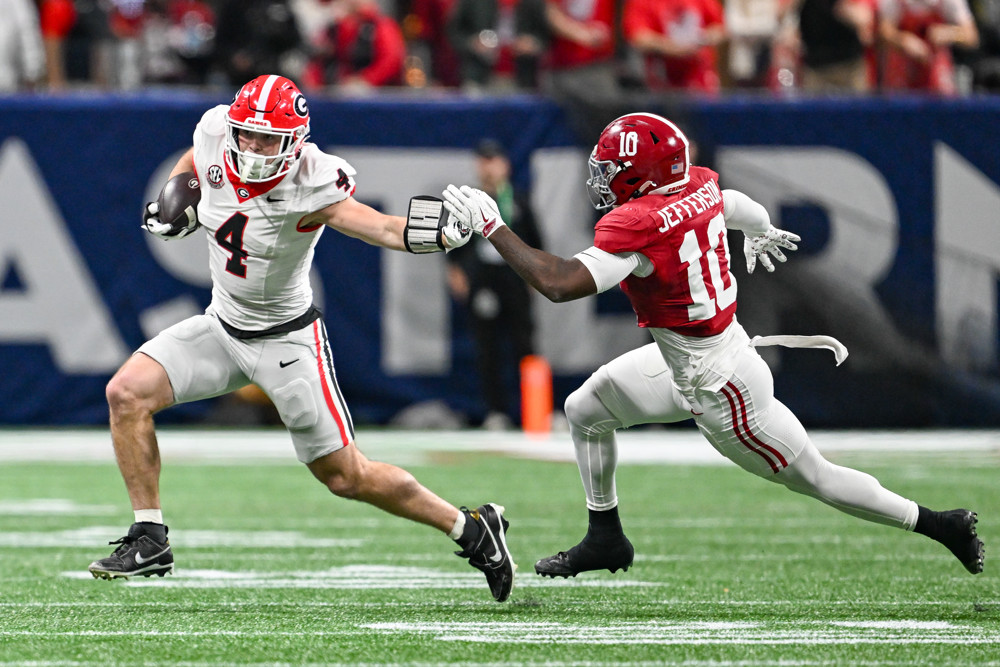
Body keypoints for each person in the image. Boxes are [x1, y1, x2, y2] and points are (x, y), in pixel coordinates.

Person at [442, 112, 985, 579]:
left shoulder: (640, 222)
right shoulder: (694, 185)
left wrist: (494, 224)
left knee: (818, 477)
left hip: (724, 390)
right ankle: (605, 534)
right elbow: (733, 204)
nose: (602, 182)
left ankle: (942, 524)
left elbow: (558, 284)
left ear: (642, 174)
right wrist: (762, 228)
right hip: (689, 358)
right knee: (584, 409)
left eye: (611, 172)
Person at [87, 75, 515, 604]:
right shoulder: (216, 131)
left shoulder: (315, 180)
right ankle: (150, 537)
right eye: (248, 136)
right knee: (125, 393)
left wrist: (436, 234)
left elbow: (378, 227)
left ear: (296, 142)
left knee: (346, 476)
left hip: (287, 342)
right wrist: (177, 195)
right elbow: (193, 160)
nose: (254, 148)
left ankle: (470, 528)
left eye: (269, 140)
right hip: (223, 326)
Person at [446, 139, 543, 430]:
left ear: (505, 165)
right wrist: (456, 271)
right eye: (483, 161)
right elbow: (453, 241)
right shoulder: (469, 202)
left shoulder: (518, 200)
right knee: (487, 347)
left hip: (514, 276)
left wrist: (535, 277)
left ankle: (533, 409)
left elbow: (535, 241)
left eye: (493, 161)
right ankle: (495, 410)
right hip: (483, 278)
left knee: (524, 343)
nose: (488, 168)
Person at [622, 0, 728, 95]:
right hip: (662, 77)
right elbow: (637, 36)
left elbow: (719, 28)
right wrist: (670, 47)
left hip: (699, 76)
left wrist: (701, 40)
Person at [878, 0, 980, 94]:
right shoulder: (895, 2)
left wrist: (949, 33)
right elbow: (883, 32)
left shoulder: (949, 2)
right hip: (902, 74)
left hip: (936, 71)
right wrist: (904, 41)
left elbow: (971, 37)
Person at [446, 0, 549, 92]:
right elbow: (453, 32)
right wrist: (473, 43)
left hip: (523, 78)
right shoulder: (473, 3)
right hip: (478, 75)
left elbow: (546, 35)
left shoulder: (533, 3)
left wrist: (533, 44)